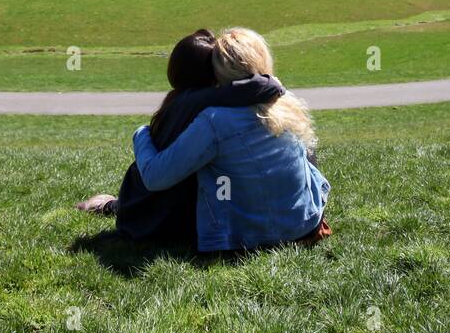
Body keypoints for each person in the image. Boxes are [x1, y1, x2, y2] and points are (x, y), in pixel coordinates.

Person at [131, 27, 331, 252]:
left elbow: (155, 176)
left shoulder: (214, 120)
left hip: (248, 238)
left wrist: (141, 133)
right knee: (305, 149)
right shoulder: (286, 102)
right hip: (305, 223)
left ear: (217, 72)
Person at [76, 30, 285, 244]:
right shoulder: (203, 101)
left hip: (144, 206)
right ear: (212, 73)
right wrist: (141, 134)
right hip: (149, 211)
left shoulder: (182, 102)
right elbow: (255, 88)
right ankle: (111, 205)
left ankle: (111, 204)